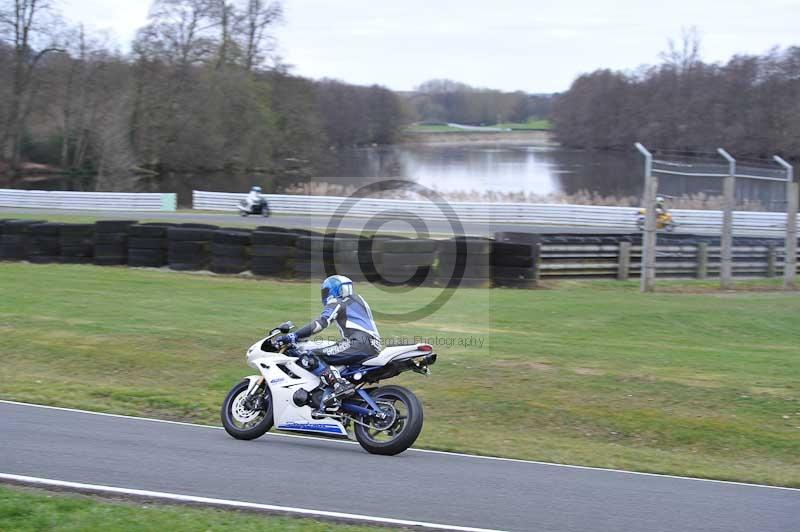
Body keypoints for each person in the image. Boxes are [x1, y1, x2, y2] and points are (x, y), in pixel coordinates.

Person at [274, 275, 381, 415]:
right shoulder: (359, 300)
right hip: (374, 345)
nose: (325, 295)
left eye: (325, 291)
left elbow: (320, 323)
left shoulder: (338, 301)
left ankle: (339, 385)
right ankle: (334, 400)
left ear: (333, 290)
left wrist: (294, 335)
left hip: (358, 342)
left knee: (311, 356)